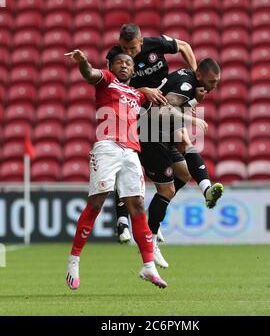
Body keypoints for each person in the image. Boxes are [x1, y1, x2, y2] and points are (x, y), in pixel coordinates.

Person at [64, 49, 167, 290]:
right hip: (107, 147)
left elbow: (156, 99)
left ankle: (148, 267)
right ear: (112, 66)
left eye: (128, 63)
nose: (124, 65)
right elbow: (90, 74)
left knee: (138, 205)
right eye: (120, 62)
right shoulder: (108, 81)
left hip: (131, 152)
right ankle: (74, 260)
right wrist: (84, 62)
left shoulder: (137, 95)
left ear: (133, 70)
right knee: (97, 202)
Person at [106, 23, 199, 244]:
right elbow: (114, 88)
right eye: (124, 48)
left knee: (184, 172)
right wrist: (142, 91)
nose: (127, 53)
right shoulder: (114, 56)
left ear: (141, 41)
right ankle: (123, 222)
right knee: (129, 166)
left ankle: (154, 211)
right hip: (134, 114)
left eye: (132, 48)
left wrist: (194, 78)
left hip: (164, 112)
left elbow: (185, 46)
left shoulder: (155, 44)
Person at [141, 58, 224, 268]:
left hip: (162, 130)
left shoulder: (190, 82)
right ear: (199, 75)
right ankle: (150, 241)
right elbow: (164, 110)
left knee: (184, 173)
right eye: (212, 81)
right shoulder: (186, 84)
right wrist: (194, 118)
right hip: (149, 135)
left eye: (216, 82)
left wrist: (194, 102)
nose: (214, 86)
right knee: (167, 190)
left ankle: (206, 190)